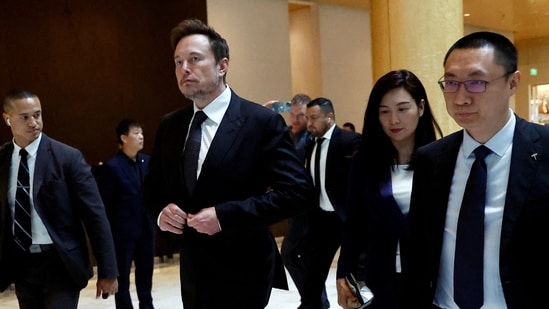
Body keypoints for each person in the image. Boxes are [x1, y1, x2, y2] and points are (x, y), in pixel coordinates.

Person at [142, 18, 314, 309]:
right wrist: (161, 212)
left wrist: (225, 215)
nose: (184, 69)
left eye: (194, 59)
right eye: (178, 62)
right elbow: (152, 190)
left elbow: (298, 194)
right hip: (193, 268)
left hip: (245, 266)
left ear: (222, 66)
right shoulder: (171, 125)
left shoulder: (259, 122)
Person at [406, 31, 549, 309]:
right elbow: (419, 248)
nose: (460, 98)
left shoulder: (544, 151)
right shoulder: (431, 159)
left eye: (476, 83)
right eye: (451, 83)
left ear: (513, 82)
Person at [0, 89, 119, 308]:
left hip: (60, 262)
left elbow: (95, 215)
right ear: (7, 119)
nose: (33, 122)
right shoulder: (3, 159)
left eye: (37, 114)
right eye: (25, 117)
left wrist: (108, 270)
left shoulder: (67, 157)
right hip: (22, 264)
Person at [335, 69, 442, 309]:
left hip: (431, 279)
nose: (393, 120)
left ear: (421, 108)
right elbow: (354, 223)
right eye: (384, 112)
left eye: (403, 109)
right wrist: (343, 271)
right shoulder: (364, 164)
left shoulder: (441, 161)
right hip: (380, 278)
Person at [298, 97, 361, 309]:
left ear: (330, 117)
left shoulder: (349, 141)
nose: (309, 123)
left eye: (314, 118)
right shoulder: (310, 144)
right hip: (322, 219)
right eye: (307, 118)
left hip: (349, 219)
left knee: (353, 277)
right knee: (312, 274)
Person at [96, 119, 155, 309]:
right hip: (123, 233)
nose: (141, 136)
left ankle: (147, 305)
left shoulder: (147, 162)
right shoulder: (112, 167)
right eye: (136, 133)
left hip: (146, 228)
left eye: (142, 133)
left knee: (146, 273)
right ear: (123, 138)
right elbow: (105, 203)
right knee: (122, 276)